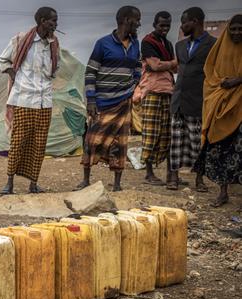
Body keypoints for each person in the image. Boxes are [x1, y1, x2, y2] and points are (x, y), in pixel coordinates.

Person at [77, 6, 141, 192]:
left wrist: (132, 85)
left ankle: (117, 183)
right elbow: (90, 72)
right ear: (126, 20)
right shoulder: (103, 43)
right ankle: (86, 180)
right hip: (103, 102)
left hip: (124, 102)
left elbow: (138, 66)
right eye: (136, 20)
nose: (138, 23)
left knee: (120, 143)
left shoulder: (136, 44)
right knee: (92, 140)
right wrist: (91, 99)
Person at [0, 6, 60, 195]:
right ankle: (9, 183)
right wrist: (13, 74)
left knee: (39, 143)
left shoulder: (54, 43)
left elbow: (57, 67)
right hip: (24, 98)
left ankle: (33, 183)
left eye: (56, 21)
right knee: (18, 141)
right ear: (42, 21)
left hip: (45, 101)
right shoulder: (21, 40)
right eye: (52, 21)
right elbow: (3, 60)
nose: (55, 24)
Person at [193, 14, 242, 207]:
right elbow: (210, 74)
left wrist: (238, 80)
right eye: (234, 29)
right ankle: (223, 193)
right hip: (221, 104)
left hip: (240, 108)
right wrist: (222, 84)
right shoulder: (219, 49)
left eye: (241, 29)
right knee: (222, 148)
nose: (237, 32)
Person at [167, 7, 217, 191]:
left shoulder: (213, 44)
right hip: (178, 99)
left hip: (198, 100)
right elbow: (180, 70)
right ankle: (173, 177)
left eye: (184, 22)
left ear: (195, 21)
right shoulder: (180, 46)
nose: (182, 26)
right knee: (176, 142)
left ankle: (199, 180)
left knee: (198, 142)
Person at [138, 11, 177, 185]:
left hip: (168, 90)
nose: (165, 28)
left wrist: (166, 65)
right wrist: (172, 63)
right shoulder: (148, 42)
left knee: (168, 134)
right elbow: (154, 66)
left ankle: (171, 174)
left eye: (167, 25)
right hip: (152, 91)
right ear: (155, 24)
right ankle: (149, 173)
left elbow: (172, 69)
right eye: (162, 25)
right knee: (151, 132)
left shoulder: (167, 43)